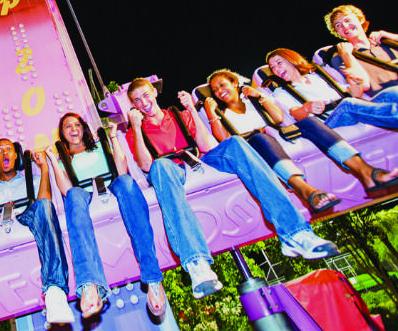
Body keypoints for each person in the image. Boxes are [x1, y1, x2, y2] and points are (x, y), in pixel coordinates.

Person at [124, 77, 339, 294]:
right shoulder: (135, 131)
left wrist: (190, 108)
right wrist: (135, 125)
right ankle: (196, 263)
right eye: (137, 100)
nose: (143, 102)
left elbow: (206, 145)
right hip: (171, 169)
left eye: (145, 95)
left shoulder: (178, 115)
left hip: (199, 159)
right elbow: (145, 164)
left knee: (236, 143)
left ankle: (295, 232)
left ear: (154, 92)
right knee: (160, 166)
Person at [45, 113, 167, 317]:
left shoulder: (100, 147)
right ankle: (89, 284)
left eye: (77, 124)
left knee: (127, 183)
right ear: (62, 133)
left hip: (112, 186)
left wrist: (112, 138)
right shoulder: (65, 159)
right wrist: (53, 159)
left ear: (83, 128)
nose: (73, 129)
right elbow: (66, 189)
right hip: (84, 195)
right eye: (67, 126)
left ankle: (153, 278)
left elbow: (121, 169)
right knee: (74, 196)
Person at [0, 139, 73, 331]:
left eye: (8, 149)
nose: (4, 153)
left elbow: (44, 203)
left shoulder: (31, 180)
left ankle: (55, 289)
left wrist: (43, 169)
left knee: (43, 206)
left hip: (26, 216)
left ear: (15, 155)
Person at [267, 48, 398, 189]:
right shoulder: (281, 92)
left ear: (292, 60)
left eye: (279, 63)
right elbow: (295, 113)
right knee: (347, 105)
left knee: (393, 93)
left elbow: (352, 94)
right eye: (273, 68)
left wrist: (355, 83)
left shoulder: (318, 77)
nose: (276, 69)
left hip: (351, 108)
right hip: (329, 125)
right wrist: (307, 108)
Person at [204, 69, 341, 213]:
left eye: (222, 85)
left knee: (264, 138)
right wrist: (211, 112)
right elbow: (226, 139)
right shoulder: (224, 115)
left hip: (273, 140)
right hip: (253, 148)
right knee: (259, 138)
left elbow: (278, 118)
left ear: (235, 83)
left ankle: (306, 190)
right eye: (215, 90)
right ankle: (307, 190)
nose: (219, 91)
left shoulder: (253, 100)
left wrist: (260, 95)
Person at [321, 4, 398, 155]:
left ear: (360, 20)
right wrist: (347, 55)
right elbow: (363, 84)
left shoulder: (387, 44)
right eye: (338, 25)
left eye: (347, 20)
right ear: (337, 32)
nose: (345, 26)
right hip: (389, 96)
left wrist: (397, 37)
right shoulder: (341, 57)